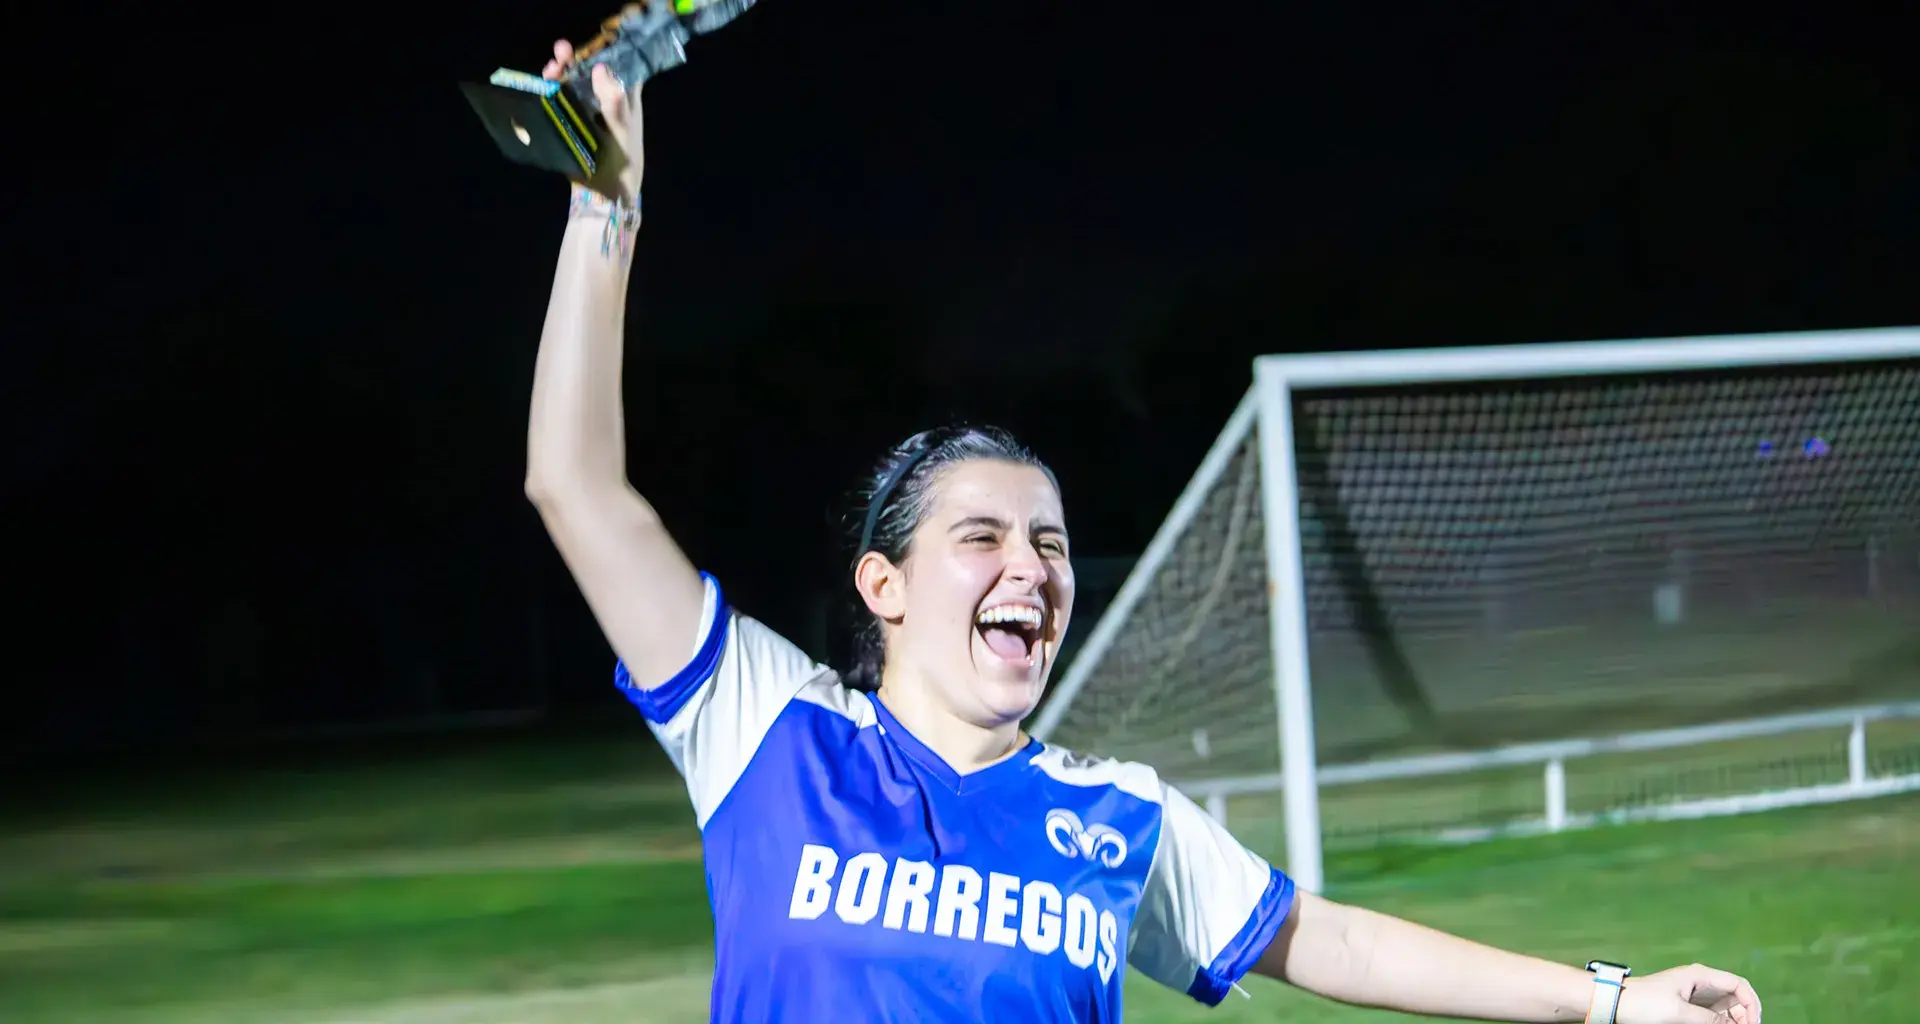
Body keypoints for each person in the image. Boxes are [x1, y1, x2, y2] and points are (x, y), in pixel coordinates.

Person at [522, 40, 1764, 1024]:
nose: (1032, 568)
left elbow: (1324, 939)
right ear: (883, 585)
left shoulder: (1116, 816)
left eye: (1053, 544)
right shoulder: (769, 733)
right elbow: (575, 485)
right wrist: (604, 208)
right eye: (984, 537)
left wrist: (1607, 1000)